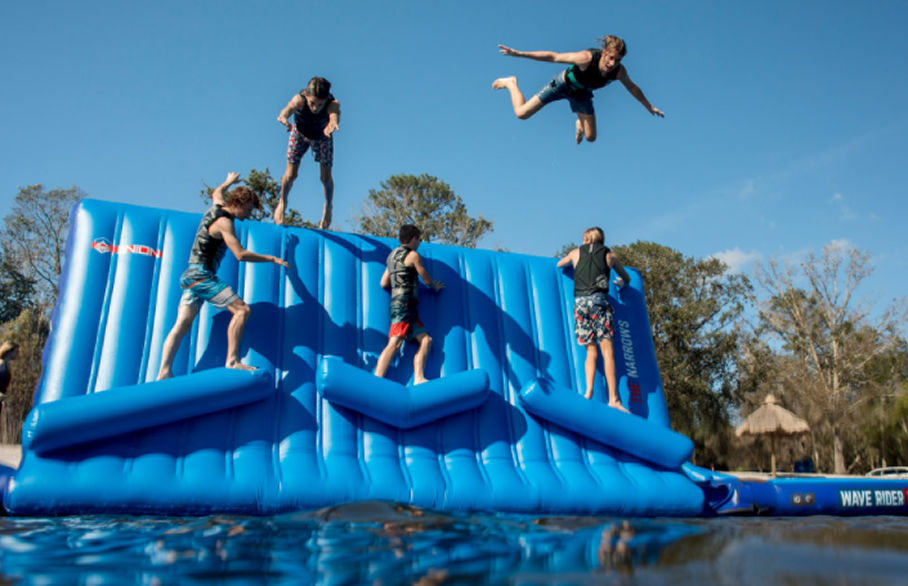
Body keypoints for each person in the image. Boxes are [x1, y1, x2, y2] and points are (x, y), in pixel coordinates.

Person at [157, 172, 291, 380]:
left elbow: (216, 192)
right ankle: (233, 360)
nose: (248, 215)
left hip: (191, 275)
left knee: (182, 323)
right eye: (248, 209)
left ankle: (164, 372)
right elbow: (240, 254)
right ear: (240, 202)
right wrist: (271, 259)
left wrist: (229, 181)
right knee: (242, 310)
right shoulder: (224, 223)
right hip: (202, 275)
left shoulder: (216, 206)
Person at [493, 35, 664, 144]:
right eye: (611, 58)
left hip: (582, 95)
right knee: (522, 114)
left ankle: (579, 121)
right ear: (604, 52)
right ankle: (511, 83)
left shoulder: (619, 72)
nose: (612, 64)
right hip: (562, 85)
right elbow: (554, 57)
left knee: (591, 138)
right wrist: (521, 54)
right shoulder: (586, 58)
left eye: (617, 60)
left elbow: (633, 88)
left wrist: (649, 106)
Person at [557, 227, 630, 410]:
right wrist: (621, 282)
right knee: (607, 352)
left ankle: (588, 392)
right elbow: (625, 277)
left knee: (591, 351)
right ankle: (613, 399)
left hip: (581, 305)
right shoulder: (610, 256)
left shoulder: (575, 253)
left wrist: (574, 262)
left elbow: (560, 264)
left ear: (586, 238)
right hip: (599, 303)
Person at [375, 225, 445, 384]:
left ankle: (419, 378)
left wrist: (399, 278)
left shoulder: (392, 256)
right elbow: (426, 279)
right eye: (419, 239)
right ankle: (377, 378)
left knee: (426, 340)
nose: (419, 242)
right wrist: (435, 285)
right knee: (396, 342)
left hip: (409, 308)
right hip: (403, 305)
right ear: (413, 238)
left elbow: (383, 283)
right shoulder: (413, 256)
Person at [275, 76, 341, 228]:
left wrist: (332, 123)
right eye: (312, 103)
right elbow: (288, 108)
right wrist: (284, 116)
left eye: (320, 104)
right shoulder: (299, 99)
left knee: (325, 178)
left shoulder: (332, 103)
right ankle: (282, 202)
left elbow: (334, 115)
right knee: (291, 175)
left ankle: (328, 206)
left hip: (323, 136)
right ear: (307, 96)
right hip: (300, 133)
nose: (315, 107)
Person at [0, 341, 19, 410]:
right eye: (16, 351)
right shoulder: (1, 364)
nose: (17, 354)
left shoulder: (6, 365)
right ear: (10, 351)